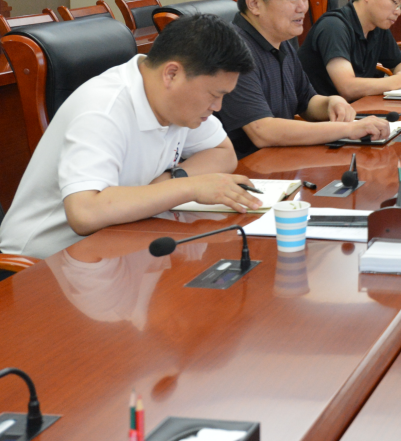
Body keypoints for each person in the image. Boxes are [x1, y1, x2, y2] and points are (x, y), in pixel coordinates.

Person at [0, 14, 263, 259]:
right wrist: (191, 187)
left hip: (119, 242)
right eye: (214, 95)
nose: (217, 107)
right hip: (41, 262)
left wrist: (171, 179)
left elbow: (223, 153)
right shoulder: (103, 108)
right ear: (172, 74)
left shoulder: (174, 102)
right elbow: (84, 214)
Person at [216, 0, 389, 158]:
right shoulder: (231, 51)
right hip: (245, 168)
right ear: (254, 4)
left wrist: (331, 103)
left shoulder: (281, 41)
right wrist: (348, 129)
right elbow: (263, 131)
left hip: (281, 160)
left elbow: (306, 101)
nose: (303, 7)